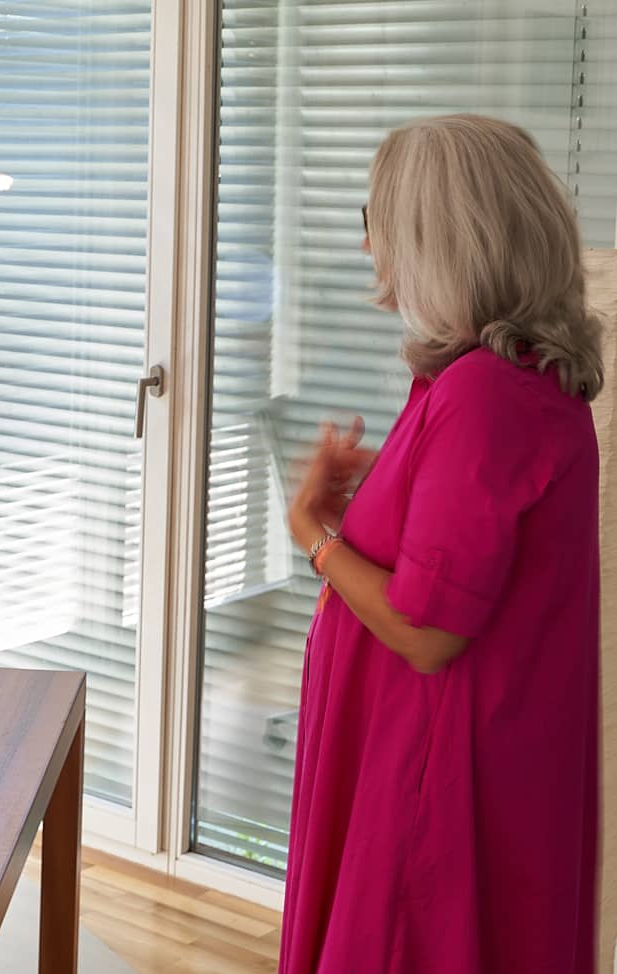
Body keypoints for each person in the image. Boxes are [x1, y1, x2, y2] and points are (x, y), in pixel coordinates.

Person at [280, 114, 601, 972]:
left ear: (441, 236)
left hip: (433, 783)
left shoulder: (484, 396)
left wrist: (315, 536)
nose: (368, 245)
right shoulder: (504, 381)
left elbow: (427, 631)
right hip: (445, 761)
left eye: (378, 220)